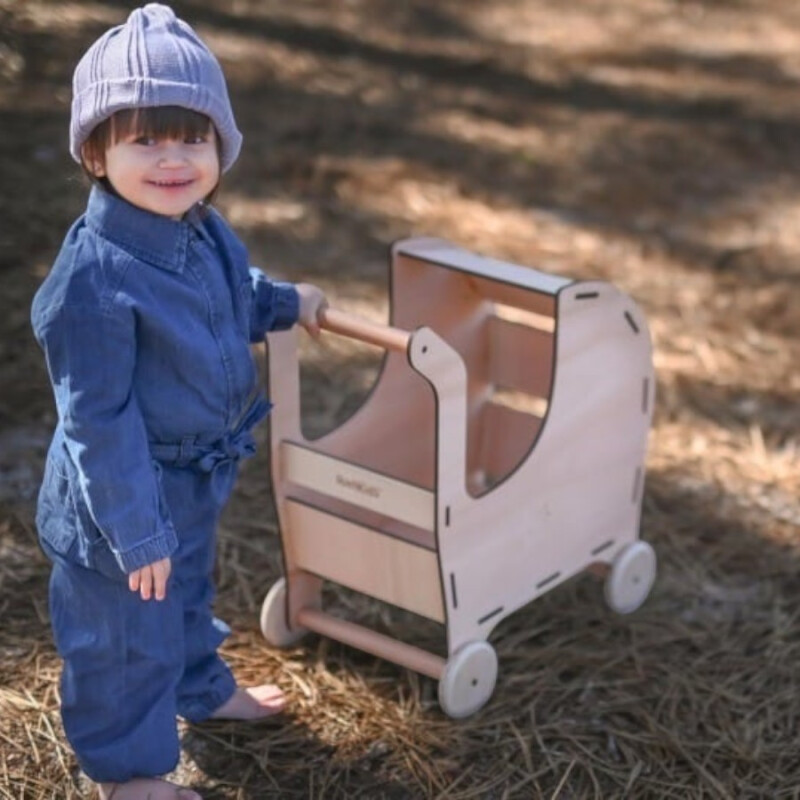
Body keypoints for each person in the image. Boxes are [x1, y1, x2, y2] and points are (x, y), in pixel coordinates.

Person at [30, 5, 327, 799]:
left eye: (192, 137)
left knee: (188, 590)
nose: (173, 159)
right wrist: (134, 530)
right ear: (96, 151)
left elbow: (228, 294)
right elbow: (97, 420)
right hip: (119, 503)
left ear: (219, 147)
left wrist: (282, 301)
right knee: (126, 638)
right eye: (145, 139)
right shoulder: (93, 282)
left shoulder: (202, 229)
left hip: (192, 478)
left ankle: (200, 691)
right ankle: (128, 773)